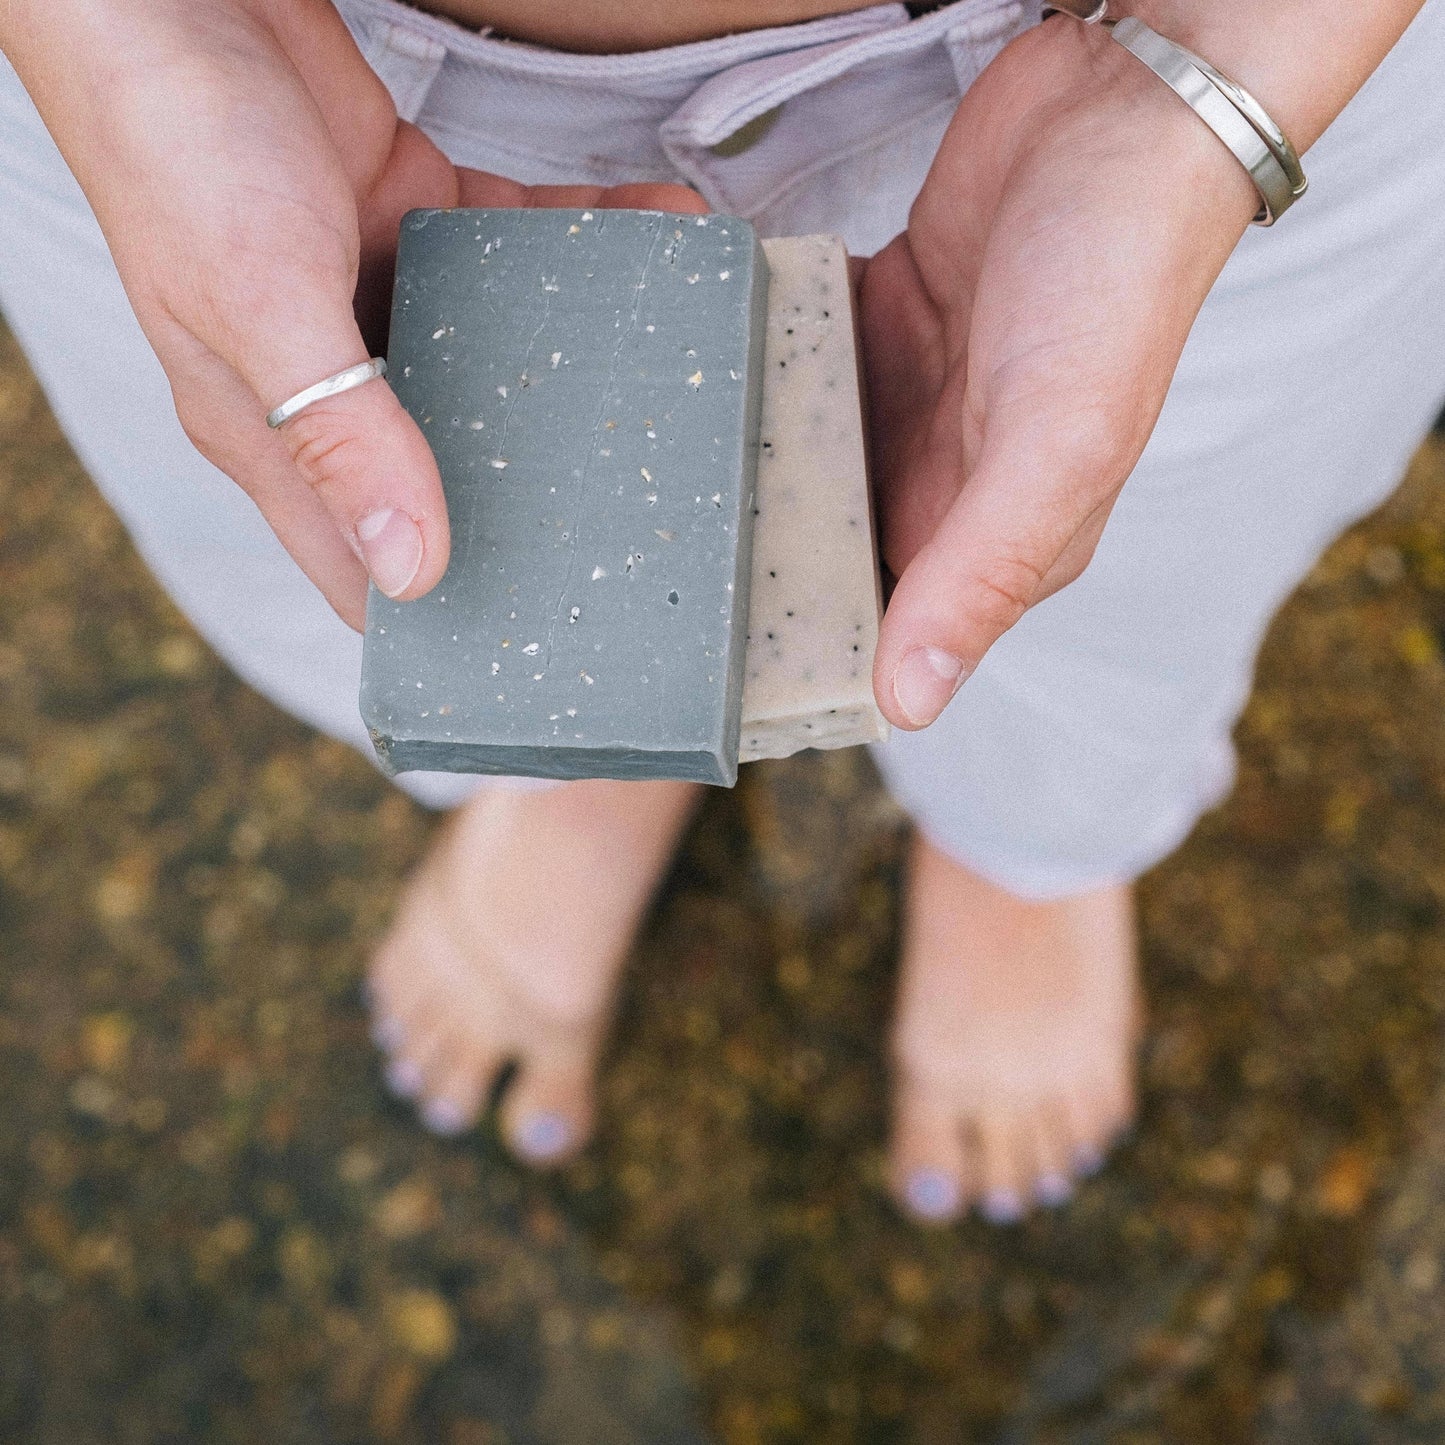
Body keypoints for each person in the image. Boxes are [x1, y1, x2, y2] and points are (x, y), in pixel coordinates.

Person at [1, 0, 1441, 1227]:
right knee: (388, 560)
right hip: (238, 67)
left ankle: (1026, 849)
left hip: (1180, 56)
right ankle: (584, 749)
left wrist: (1213, 72)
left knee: (1121, 565)